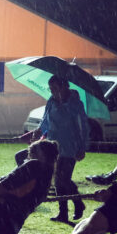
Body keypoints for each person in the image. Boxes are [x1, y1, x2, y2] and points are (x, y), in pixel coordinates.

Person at [18, 75, 89, 223]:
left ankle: (77, 203)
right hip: (52, 146)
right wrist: (39, 131)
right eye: (50, 89)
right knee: (58, 181)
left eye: (55, 89)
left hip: (70, 145)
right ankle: (65, 211)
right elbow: (45, 120)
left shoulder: (76, 104)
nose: (52, 92)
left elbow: (84, 127)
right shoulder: (51, 101)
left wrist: (82, 147)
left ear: (64, 87)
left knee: (63, 179)